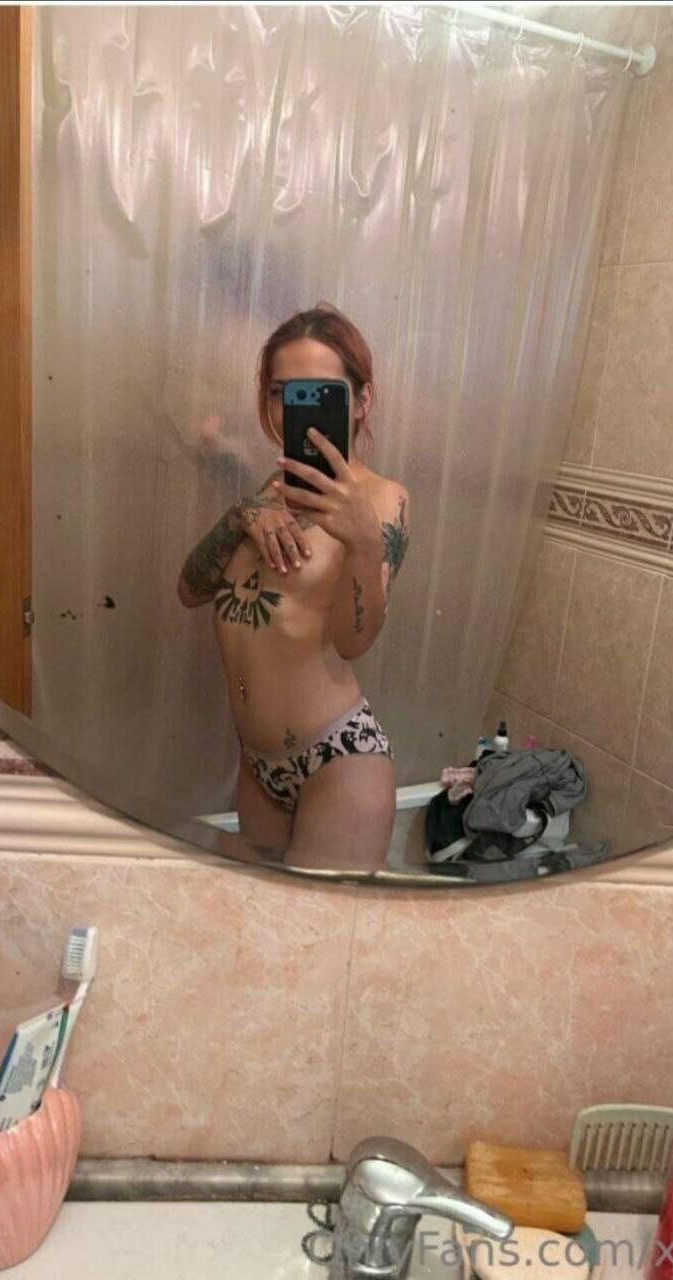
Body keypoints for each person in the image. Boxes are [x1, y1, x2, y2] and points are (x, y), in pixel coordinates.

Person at [177, 303, 409, 871]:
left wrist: (364, 542)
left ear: (362, 401)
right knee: (265, 915)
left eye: (322, 392)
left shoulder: (383, 499)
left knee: (317, 923)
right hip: (259, 768)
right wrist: (239, 515)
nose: (297, 408)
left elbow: (354, 642)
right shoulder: (268, 491)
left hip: (338, 762)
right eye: (283, 392)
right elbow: (189, 590)